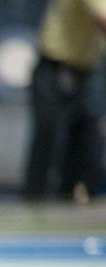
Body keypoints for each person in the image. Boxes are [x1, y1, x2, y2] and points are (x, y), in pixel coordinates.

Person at [23, 0, 106, 201]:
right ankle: (36, 200)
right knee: (48, 135)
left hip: (87, 66)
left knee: (85, 135)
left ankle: (71, 196)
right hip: (56, 65)